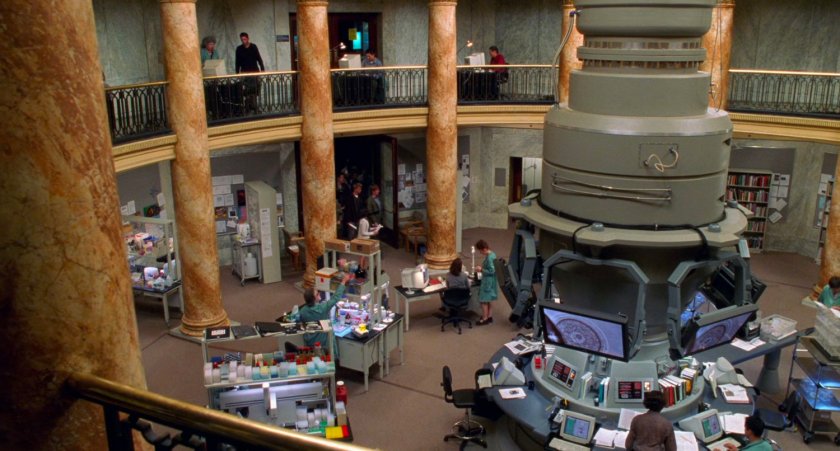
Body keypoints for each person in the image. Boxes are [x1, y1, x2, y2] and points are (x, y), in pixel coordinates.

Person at [297, 273, 352, 353]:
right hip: (323, 344)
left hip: (310, 343)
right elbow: (335, 297)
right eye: (317, 293)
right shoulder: (322, 308)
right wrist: (343, 281)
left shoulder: (303, 310)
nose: (319, 293)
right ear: (314, 298)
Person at [235, 32, 264, 114]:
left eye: (244, 39)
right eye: (242, 40)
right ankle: (248, 108)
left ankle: (254, 108)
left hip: (254, 72)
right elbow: (237, 62)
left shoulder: (253, 47)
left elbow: (259, 58)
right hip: (245, 73)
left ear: (248, 38)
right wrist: (237, 73)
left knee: (254, 91)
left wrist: (262, 69)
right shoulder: (239, 49)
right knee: (247, 92)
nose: (243, 41)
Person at [474, 239, 497, 325]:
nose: (480, 253)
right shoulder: (492, 255)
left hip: (488, 282)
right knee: (489, 299)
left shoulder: (490, 258)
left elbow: (492, 271)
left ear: (484, 249)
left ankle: (484, 318)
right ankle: (489, 316)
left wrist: (481, 269)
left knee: (484, 300)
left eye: (480, 251)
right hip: (492, 281)